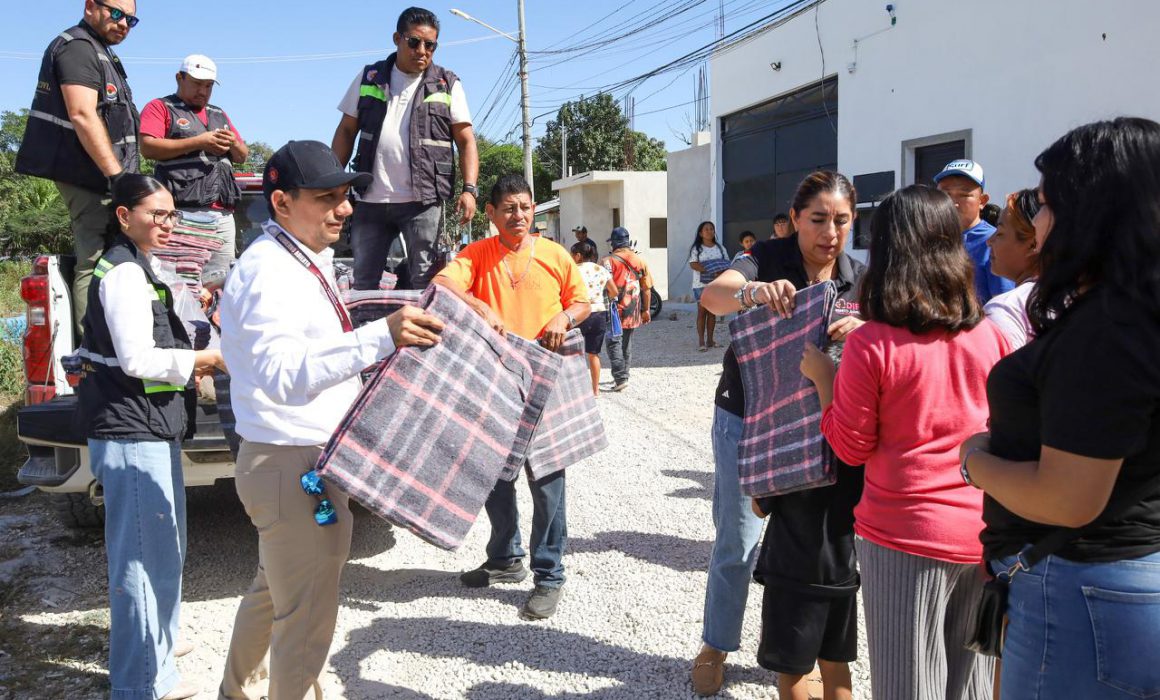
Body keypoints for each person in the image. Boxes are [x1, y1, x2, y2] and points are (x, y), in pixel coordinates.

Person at [217, 140, 445, 699]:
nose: (344, 209)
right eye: (327, 198)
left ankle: (234, 691)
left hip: (293, 460)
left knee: (277, 593)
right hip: (291, 463)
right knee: (307, 620)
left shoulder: (296, 256)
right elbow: (282, 374)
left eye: (346, 196)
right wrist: (378, 337)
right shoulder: (271, 271)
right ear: (281, 201)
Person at [961, 117, 1160, 700]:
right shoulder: (1131, 311)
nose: (1034, 221)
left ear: (1090, 211)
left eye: (1045, 205)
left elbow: (1068, 498)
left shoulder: (1108, 328)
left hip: (1081, 590)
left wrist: (974, 461)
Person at [800, 184, 1007, 700]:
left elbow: (850, 447)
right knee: (972, 686)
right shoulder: (989, 335)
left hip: (904, 536)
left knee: (909, 686)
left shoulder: (872, 344)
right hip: (981, 530)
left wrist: (826, 379)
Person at [694, 171, 866, 698]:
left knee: (820, 543)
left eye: (840, 220)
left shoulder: (859, 278)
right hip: (749, 419)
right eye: (817, 219)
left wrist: (864, 330)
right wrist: (751, 292)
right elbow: (712, 295)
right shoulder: (767, 257)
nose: (829, 232)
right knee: (740, 538)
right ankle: (716, 645)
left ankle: (804, 651)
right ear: (795, 220)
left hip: (825, 426)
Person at [77, 174, 225, 700]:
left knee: (164, 551)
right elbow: (139, 359)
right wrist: (207, 359)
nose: (167, 224)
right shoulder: (121, 275)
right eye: (155, 215)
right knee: (142, 559)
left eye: (171, 215)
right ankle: (142, 685)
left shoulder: (148, 268)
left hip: (151, 426)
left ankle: (157, 647)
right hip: (129, 428)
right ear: (124, 216)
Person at [435, 173, 590, 620]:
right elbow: (444, 285)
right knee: (493, 476)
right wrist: (479, 305)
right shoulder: (477, 254)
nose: (518, 215)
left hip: (545, 380)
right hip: (494, 382)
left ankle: (549, 574)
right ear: (491, 213)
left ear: (533, 207)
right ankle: (505, 559)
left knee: (547, 482)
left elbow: (582, 302)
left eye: (524, 207)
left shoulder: (556, 254)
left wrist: (565, 317)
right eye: (508, 208)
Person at [331, 6, 479, 291]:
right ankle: (366, 333)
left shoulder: (447, 84)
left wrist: (469, 190)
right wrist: (334, 186)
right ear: (397, 38)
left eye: (430, 45)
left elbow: (466, 140)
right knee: (364, 282)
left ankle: (419, 337)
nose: (422, 50)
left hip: (422, 204)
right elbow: (346, 130)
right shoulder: (368, 77)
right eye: (414, 42)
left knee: (426, 282)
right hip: (370, 200)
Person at [16, 0, 141, 331]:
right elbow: (83, 114)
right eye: (116, 13)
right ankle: (93, 357)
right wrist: (117, 176)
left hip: (104, 178)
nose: (124, 23)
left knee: (112, 261)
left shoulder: (100, 51)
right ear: (90, 7)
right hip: (90, 177)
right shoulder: (78, 48)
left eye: (131, 19)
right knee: (96, 262)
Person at [140, 54, 249, 283]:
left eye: (209, 86)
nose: (203, 91)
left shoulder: (219, 114)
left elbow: (242, 156)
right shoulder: (160, 107)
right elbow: (148, 147)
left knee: (220, 283)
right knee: (180, 281)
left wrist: (234, 143)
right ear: (180, 78)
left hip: (223, 215)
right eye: (198, 84)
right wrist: (200, 141)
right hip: (183, 212)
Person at [934, 159, 1015, 304]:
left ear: (982, 201)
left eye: (964, 195)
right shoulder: (929, 239)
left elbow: (1004, 306)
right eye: (945, 194)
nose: (953, 202)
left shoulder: (994, 242)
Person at [982, 188, 1041, 349]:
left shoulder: (1007, 310)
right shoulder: (1079, 295)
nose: (990, 241)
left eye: (1000, 233)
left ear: (1033, 244)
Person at [603, 227, 653, 391]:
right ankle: (624, 375)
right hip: (633, 309)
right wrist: (646, 310)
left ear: (614, 243)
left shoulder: (607, 261)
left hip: (613, 310)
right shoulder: (640, 261)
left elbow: (600, 286)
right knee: (626, 343)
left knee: (613, 343)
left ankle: (620, 378)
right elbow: (646, 288)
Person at [571, 241, 617, 395]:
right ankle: (595, 390)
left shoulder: (573, 270)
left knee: (573, 352)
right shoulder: (601, 270)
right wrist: (604, 298)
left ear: (578, 256)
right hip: (598, 314)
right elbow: (614, 291)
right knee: (593, 354)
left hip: (577, 312)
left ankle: (575, 390)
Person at [688, 221, 727, 351]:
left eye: (711, 229)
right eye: (706, 229)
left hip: (716, 285)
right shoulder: (697, 249)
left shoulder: (720, 248)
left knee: (712, 313)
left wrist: (719, 272)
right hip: (700, 285)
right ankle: (701, 341)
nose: (710, 231)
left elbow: (726, 263)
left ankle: (710, 340)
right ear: (701, 233)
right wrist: (711, 270)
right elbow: (693, 264)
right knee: (702, 312)